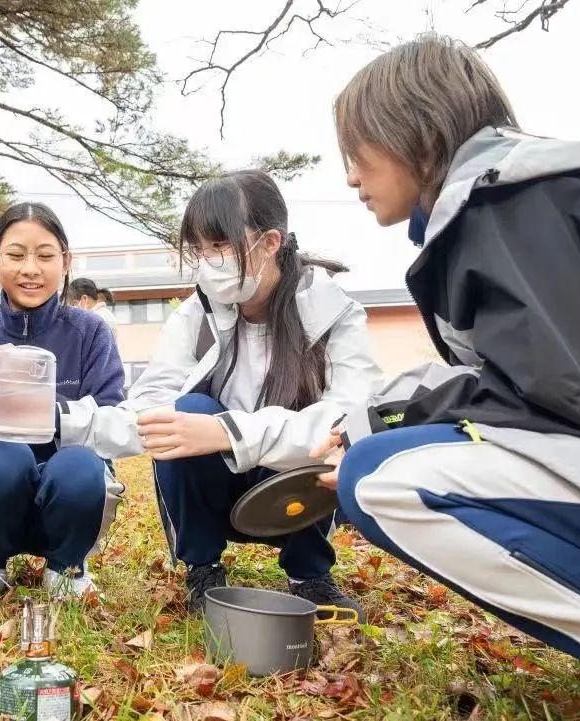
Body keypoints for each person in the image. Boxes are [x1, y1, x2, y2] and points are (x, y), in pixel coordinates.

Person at [318, 34, 580, 662]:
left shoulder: (508, 200)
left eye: (354, 150)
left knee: (382, 477)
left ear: (412, 129)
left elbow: (567, 394)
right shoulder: (526, 191)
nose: (351, 175)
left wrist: (384, 419)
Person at [58, 170, 384, 613]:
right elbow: (150, 406)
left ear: (270, 242)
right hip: (219, 487)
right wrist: (58, 419)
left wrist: (226, 432)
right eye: (199, 249)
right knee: (184, 409)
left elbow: (350, 417)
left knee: (325, 430)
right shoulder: (196, 315)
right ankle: (203, 568)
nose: (208, 261)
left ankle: (309, 573)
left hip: (294, 490)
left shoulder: (332, 313)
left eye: (221, 246)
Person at [0, 202, 125, 611]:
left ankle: (67, 569)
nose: (31, 268)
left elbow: (111, 425)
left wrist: (36, 402)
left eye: (46, 255)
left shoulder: (91, 333)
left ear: (65, 262)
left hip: (71, 500)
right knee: (3, 457)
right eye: (16, 255)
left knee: (82, 464)